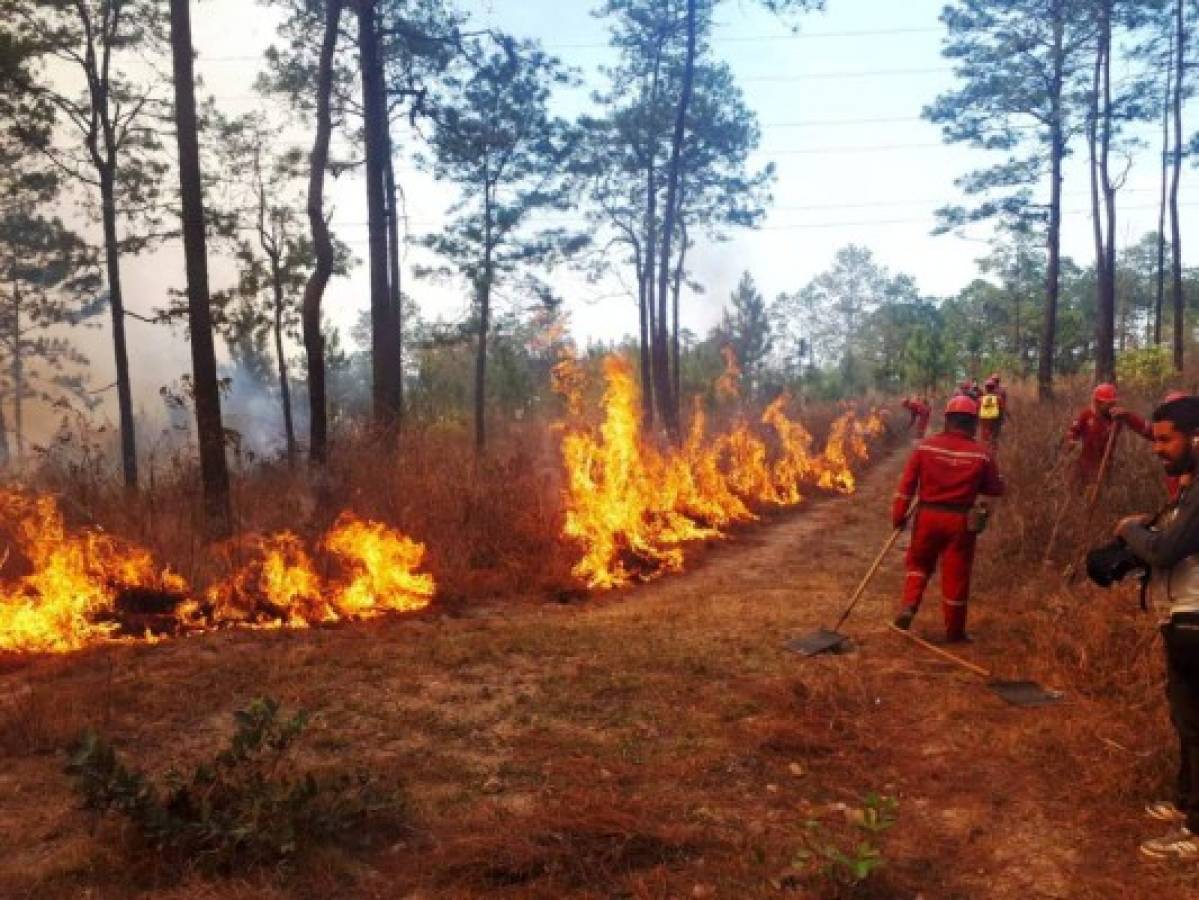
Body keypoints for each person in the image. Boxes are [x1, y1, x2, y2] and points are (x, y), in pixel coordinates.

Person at [1113, 396, 1199, 860]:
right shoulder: (1190, 487)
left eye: (1167, 439)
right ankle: (1187, 803)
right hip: (1184, 616)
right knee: (1187, 720)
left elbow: (1167, 550)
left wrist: (1131, 531)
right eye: (1156, 438)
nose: (1157, 448)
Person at [891, 395, 1005, 642]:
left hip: (928, 517)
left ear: (947, 420)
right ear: (973, 423)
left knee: (919, 564)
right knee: (957, 574)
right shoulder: (981, 454)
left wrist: (899, 516)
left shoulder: (925, 447)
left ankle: (909, 606)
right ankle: (954, 632)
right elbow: (995, 489)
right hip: (960, 522)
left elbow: (906, 486)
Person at [1064, 383, 1152, 484]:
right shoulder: (1086, 415)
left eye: (1113, 403)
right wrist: (1071, 443)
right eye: (1108, 404)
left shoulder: (1117, 418)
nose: (1112, 406)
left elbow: (1141, 427)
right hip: (1084, 464)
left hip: (1105, 465)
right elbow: (1072, 431)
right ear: (1098, 402)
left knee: (1102, 488)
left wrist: (1128, 415)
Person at [978, 378, 1006, 446]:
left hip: (984, 422)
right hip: (995, 421)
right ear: (994, 388)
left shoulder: (980, 399)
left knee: (984, 439)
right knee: (994, 438)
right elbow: (1002, 410)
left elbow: (977, 411)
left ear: (986, 388)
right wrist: (1002, 421)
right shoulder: (998, 399)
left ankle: (985, 451)